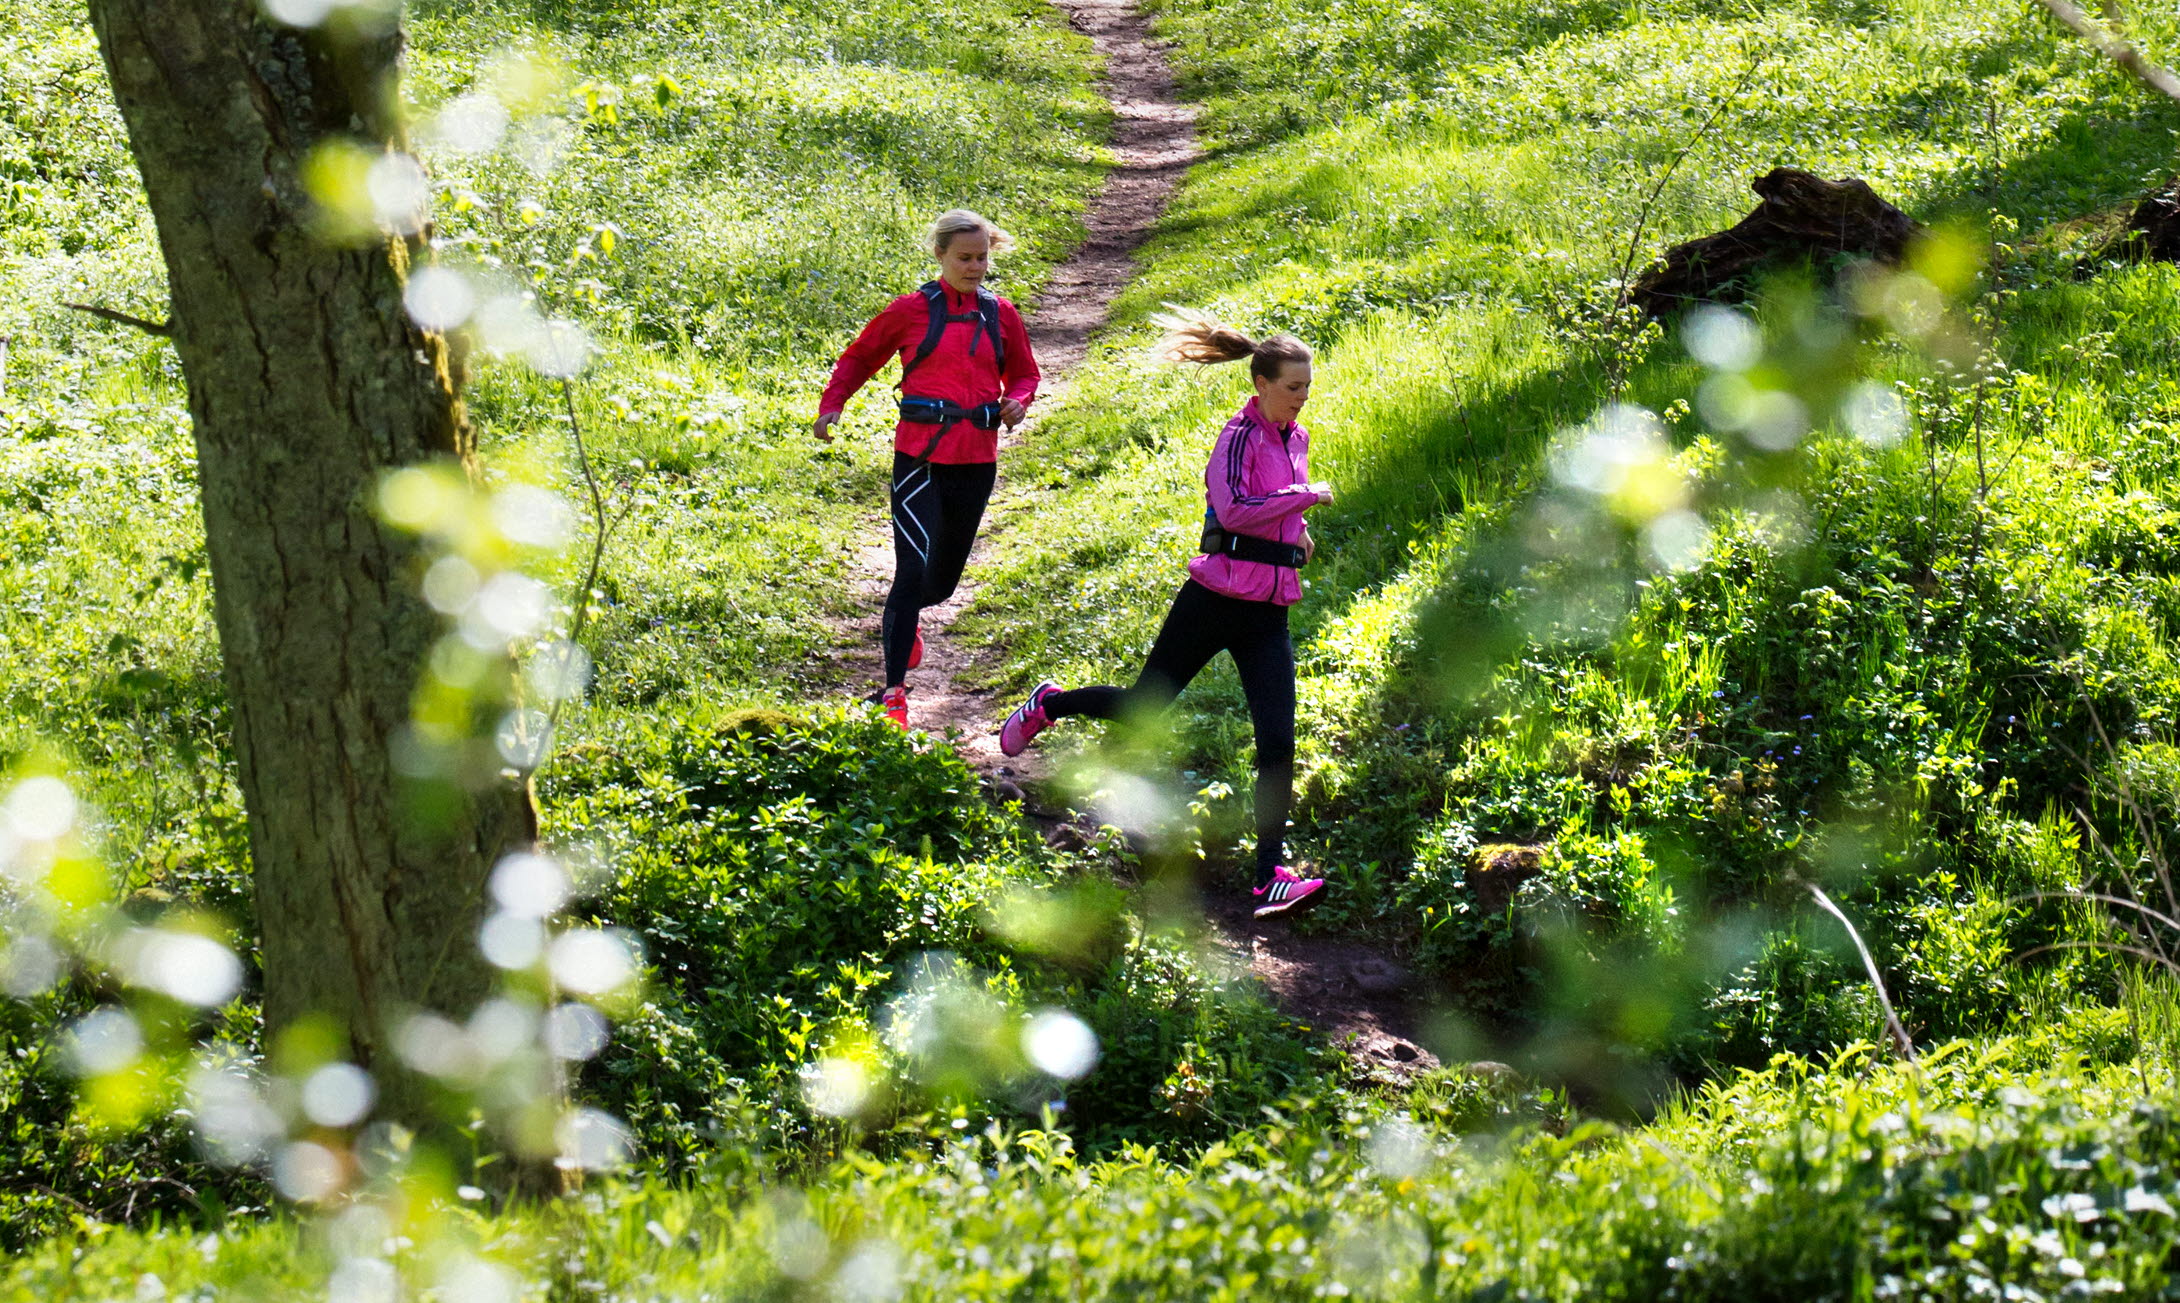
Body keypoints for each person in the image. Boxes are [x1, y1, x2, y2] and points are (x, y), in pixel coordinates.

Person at [997, 308, 1330, 919]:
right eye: (1292, 387)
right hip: (1214, 601)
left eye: (1307, 387)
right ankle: (1051, 703)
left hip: (1268, 612)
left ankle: (1268, 876)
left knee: (1278, 740)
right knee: (1144, 705)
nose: (1302, 399)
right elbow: (1233, 512)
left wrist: (1299, 533)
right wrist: (1303, 496)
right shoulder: (1237, 436)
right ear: (1261, 384)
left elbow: (1280, 509)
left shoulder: (1297, 438)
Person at [815, 209, 1041, 729]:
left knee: (940, 586)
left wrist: (1019, 401)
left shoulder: (1000, 313)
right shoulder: (911, 311)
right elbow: (859, 357)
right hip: (918, 457)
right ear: (940, 255)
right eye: (965, 257)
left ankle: (909, 620)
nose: (976, 267)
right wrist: (833, 404)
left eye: (983, 257)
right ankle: (894, 693)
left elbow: (1024, 371)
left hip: (976, 459)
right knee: (911, 572)